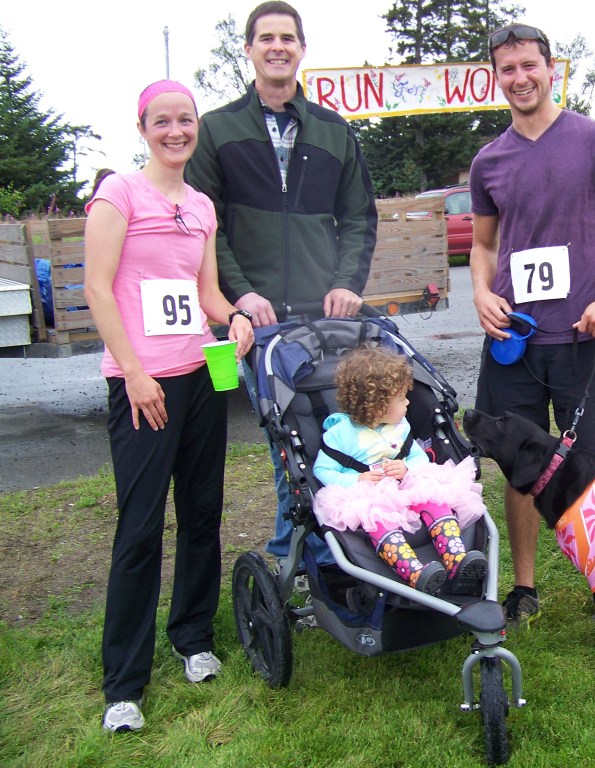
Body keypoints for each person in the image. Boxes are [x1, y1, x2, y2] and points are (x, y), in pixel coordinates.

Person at [84, 80, 255, 733]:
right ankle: (123, 683)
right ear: (143, 127)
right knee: (139, 528)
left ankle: (193, 639)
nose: (176, 130)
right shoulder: (119, 195)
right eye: (163, 121)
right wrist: (132, 371)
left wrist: (235, 317)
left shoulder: (202, 206)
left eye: (185, 120)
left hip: (200, 376)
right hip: (143, 384)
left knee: (203, 513)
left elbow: (206, 293)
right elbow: (98, 289)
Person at [186, 1, 378, 567]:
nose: (277, 47)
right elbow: (205, 224)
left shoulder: (333, 130)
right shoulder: (216, 130)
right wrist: (241, 294)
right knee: (288, 445)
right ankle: (303, 559)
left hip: (325, 319)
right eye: (265, 38)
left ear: (301, 49)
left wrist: (348, 283)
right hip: (259, 322)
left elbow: (360, 217)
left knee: (335, 439)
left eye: (287, 38)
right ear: (248, 50)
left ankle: (324, 555)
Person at [468, 23, 595, 625]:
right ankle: (524, 587)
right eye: (507, 69)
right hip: (514, 340)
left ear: (552, 70)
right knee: (516, 462)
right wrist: (478, 291)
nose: (519, 78)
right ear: (497, 77)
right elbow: (484, 247)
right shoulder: (488, 160)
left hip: (584, 336)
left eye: (529, 66)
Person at [311, 346, 487, 594]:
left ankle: (457, 562)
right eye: (402, 398)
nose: (407, 403)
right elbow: (323, 469)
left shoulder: (401, 426)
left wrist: (406, 468)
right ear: (380, 405)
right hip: (368, 496)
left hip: (405, 485)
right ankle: (416, 574)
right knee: (378, 520)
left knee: (435, 500)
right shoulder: (340, 435)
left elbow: (417, 456)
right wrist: (357, 479)